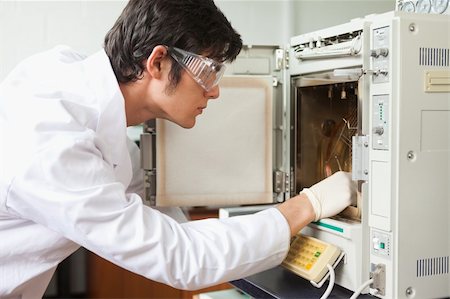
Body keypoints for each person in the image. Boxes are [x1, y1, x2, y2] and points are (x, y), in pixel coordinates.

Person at [0, 0, 356, 297]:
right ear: (157, 62)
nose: (214, 91)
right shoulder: (52, 141)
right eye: (209, 71)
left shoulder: (78, 84)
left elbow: (165, 217)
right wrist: (308, 205)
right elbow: (182, 256)